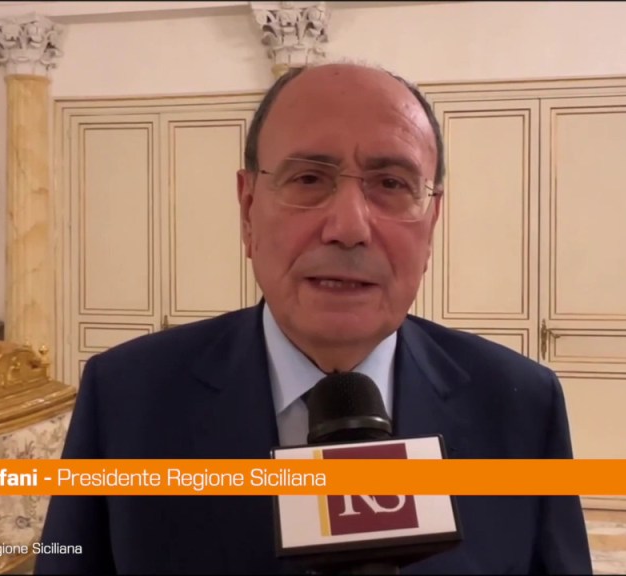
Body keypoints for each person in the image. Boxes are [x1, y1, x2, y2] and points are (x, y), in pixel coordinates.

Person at [36, 62, 592, 574]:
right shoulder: (126, 397)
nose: (348, 228)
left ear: (431, 223)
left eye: (391, 184)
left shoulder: (521, 405)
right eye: (308, 179)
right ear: (248, 209)